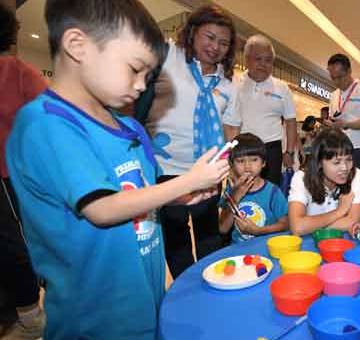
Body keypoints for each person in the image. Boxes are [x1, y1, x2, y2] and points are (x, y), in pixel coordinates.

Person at [5, 1, 231, 338]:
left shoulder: (132, 129)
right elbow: (101, 208)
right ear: (77, 46)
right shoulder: (47, 125)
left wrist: (179, 196)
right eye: (135, 69)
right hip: (96, 318)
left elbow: (136, 196)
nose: (142, 85)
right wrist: (189, 178)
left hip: (145, 300)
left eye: (148, 75)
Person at [144, 4, 241, 277]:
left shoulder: (228, 83)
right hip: (167, 168)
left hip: (208, 172)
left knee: (208, 234)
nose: (215, 47)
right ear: (193, 32)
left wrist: (225, 164)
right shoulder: (167, 56)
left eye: (223, 43)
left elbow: (230, 130)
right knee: (176, 238)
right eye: (209, 37)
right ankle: (184, 289)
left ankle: (210, 286)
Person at [0, 4, 47, 338]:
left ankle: (30, 316)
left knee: (14, 245)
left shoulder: (18, 72)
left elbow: (53, 123)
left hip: (9, 175)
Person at [233, 35, 298, 186]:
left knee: (271, 191)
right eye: (258, 59)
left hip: (272, 149)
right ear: (247, 59)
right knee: (242, 190)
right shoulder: (234, 84)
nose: (263, 64)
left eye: (268, 60)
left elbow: (291, 121)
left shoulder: (282, 88)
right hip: (242, 149)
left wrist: (289, 152)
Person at [288, 127, 360, 235]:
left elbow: (352, 221)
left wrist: (310, 226)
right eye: (336, 162)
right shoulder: (301, 178)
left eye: (348, 159)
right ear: (319, 163)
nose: (345, 168)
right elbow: (297, 227)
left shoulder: (356, 175)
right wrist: (339, 211)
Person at [219, 133, 288, 243]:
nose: (247, 166)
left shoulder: (273, 192)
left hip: (266, 247)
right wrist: (235, 197)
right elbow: (223, 228)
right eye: (240, 161)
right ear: (232, 164)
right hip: (239, 249)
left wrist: (258, 231)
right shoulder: (231, 190)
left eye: (254, 160)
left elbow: (286, 224)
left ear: (264, 162)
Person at [325, 53, 360, 174]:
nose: (337, 81)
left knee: (356, 186)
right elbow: (335, 120)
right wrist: (332, 125)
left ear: (349, 71)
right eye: (333, 78)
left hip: (357, 147)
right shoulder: (334, 95)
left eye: (340, 77)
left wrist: (346, 124)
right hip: (338, 149)